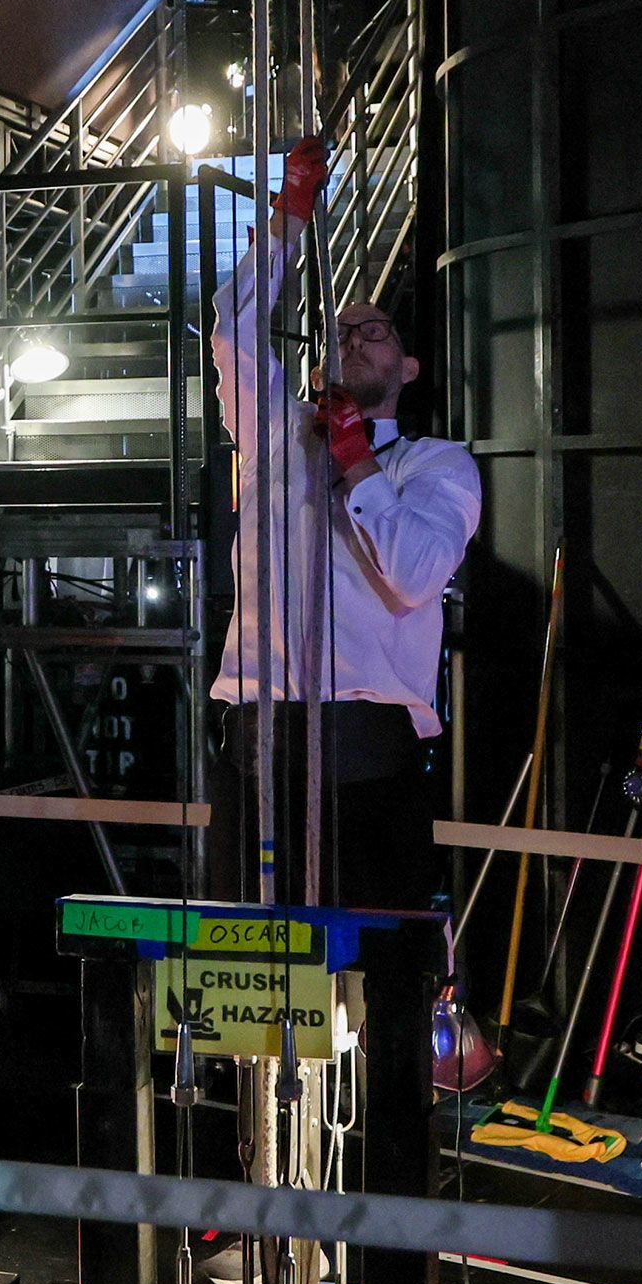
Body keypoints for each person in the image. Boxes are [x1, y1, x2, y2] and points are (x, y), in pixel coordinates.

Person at [208, 137, 482, 910]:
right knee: (249, 959)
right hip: (260, 741)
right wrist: (288, 219)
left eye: (378, 332)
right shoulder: (278, 434)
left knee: (381, 963)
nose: (356, 336)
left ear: (409, 368)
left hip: (367, 747)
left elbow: (417, 575)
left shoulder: (436, 465)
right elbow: (232, 332)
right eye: (343, 332)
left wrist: (359, 463)